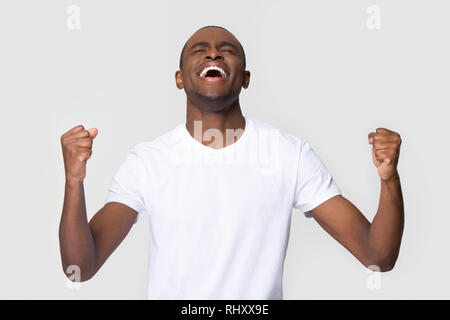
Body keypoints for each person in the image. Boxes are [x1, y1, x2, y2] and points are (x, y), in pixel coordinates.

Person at [59, 26, 404, 299]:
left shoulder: (288, 154)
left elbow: (378, 257)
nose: (213, 52)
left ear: (245, 78)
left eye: (227, 50)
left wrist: (390, 180)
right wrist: (74, 182)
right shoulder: (147, 161)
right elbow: (80, 267)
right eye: (200, 49)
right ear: (179, 79)